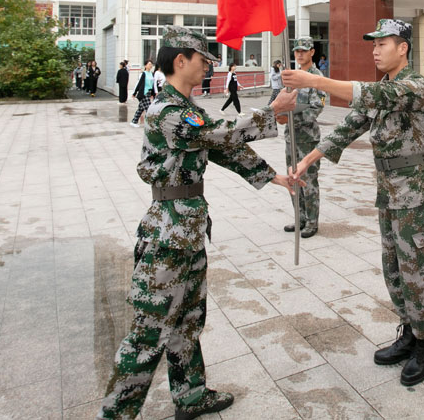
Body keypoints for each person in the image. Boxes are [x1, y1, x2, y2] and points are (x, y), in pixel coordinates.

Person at [97, 27, 299, 420]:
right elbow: (216, 134)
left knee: (189, 321)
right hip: (166, 236)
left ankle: (191, 397)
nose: (208, 66)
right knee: (148, 334)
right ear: (180, 60)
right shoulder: (166, 112)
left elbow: (223, 149)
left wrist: (273, 176)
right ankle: (115, 414)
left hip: (188, 231)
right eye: (204, 60)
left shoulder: (187, 107)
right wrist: (271, 111)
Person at [283, 18, 424, 387]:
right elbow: (347, 126)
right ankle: (409, 330)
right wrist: (306, 161)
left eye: (382, 43)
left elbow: (370, 96)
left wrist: (315, 80)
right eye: (372, 43)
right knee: (393, 265)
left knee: (418, 267)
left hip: (416, 192)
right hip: (389, 190)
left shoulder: (413, 86)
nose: (374, 49)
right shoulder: (383, 86)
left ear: (402, 47)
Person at [282, 37, 325, 238]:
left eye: (303, 50)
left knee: (308, 180)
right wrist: (279, 114)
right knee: (292, 178)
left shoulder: (316, 76)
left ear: (312, 52)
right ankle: (299, 218)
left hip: (308, 138)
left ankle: (312, 221)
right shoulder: (291, 76)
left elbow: (317, 107)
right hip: (291, 137)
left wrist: (294, 119)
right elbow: (281, 98)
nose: (299, 54)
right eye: (296, 50)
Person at [130, 61, 157, 127]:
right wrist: (134, 93)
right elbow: (139, 84)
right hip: (143, 93)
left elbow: (153, 84)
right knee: (149, 108)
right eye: (149, 64)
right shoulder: (144, 74)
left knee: (140, 109)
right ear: (145, 66)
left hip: (149, 93)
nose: (151, 65)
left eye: (151, 64)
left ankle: (134, 121)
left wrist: (153, 94)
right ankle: (151, 124)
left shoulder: (151, 73)